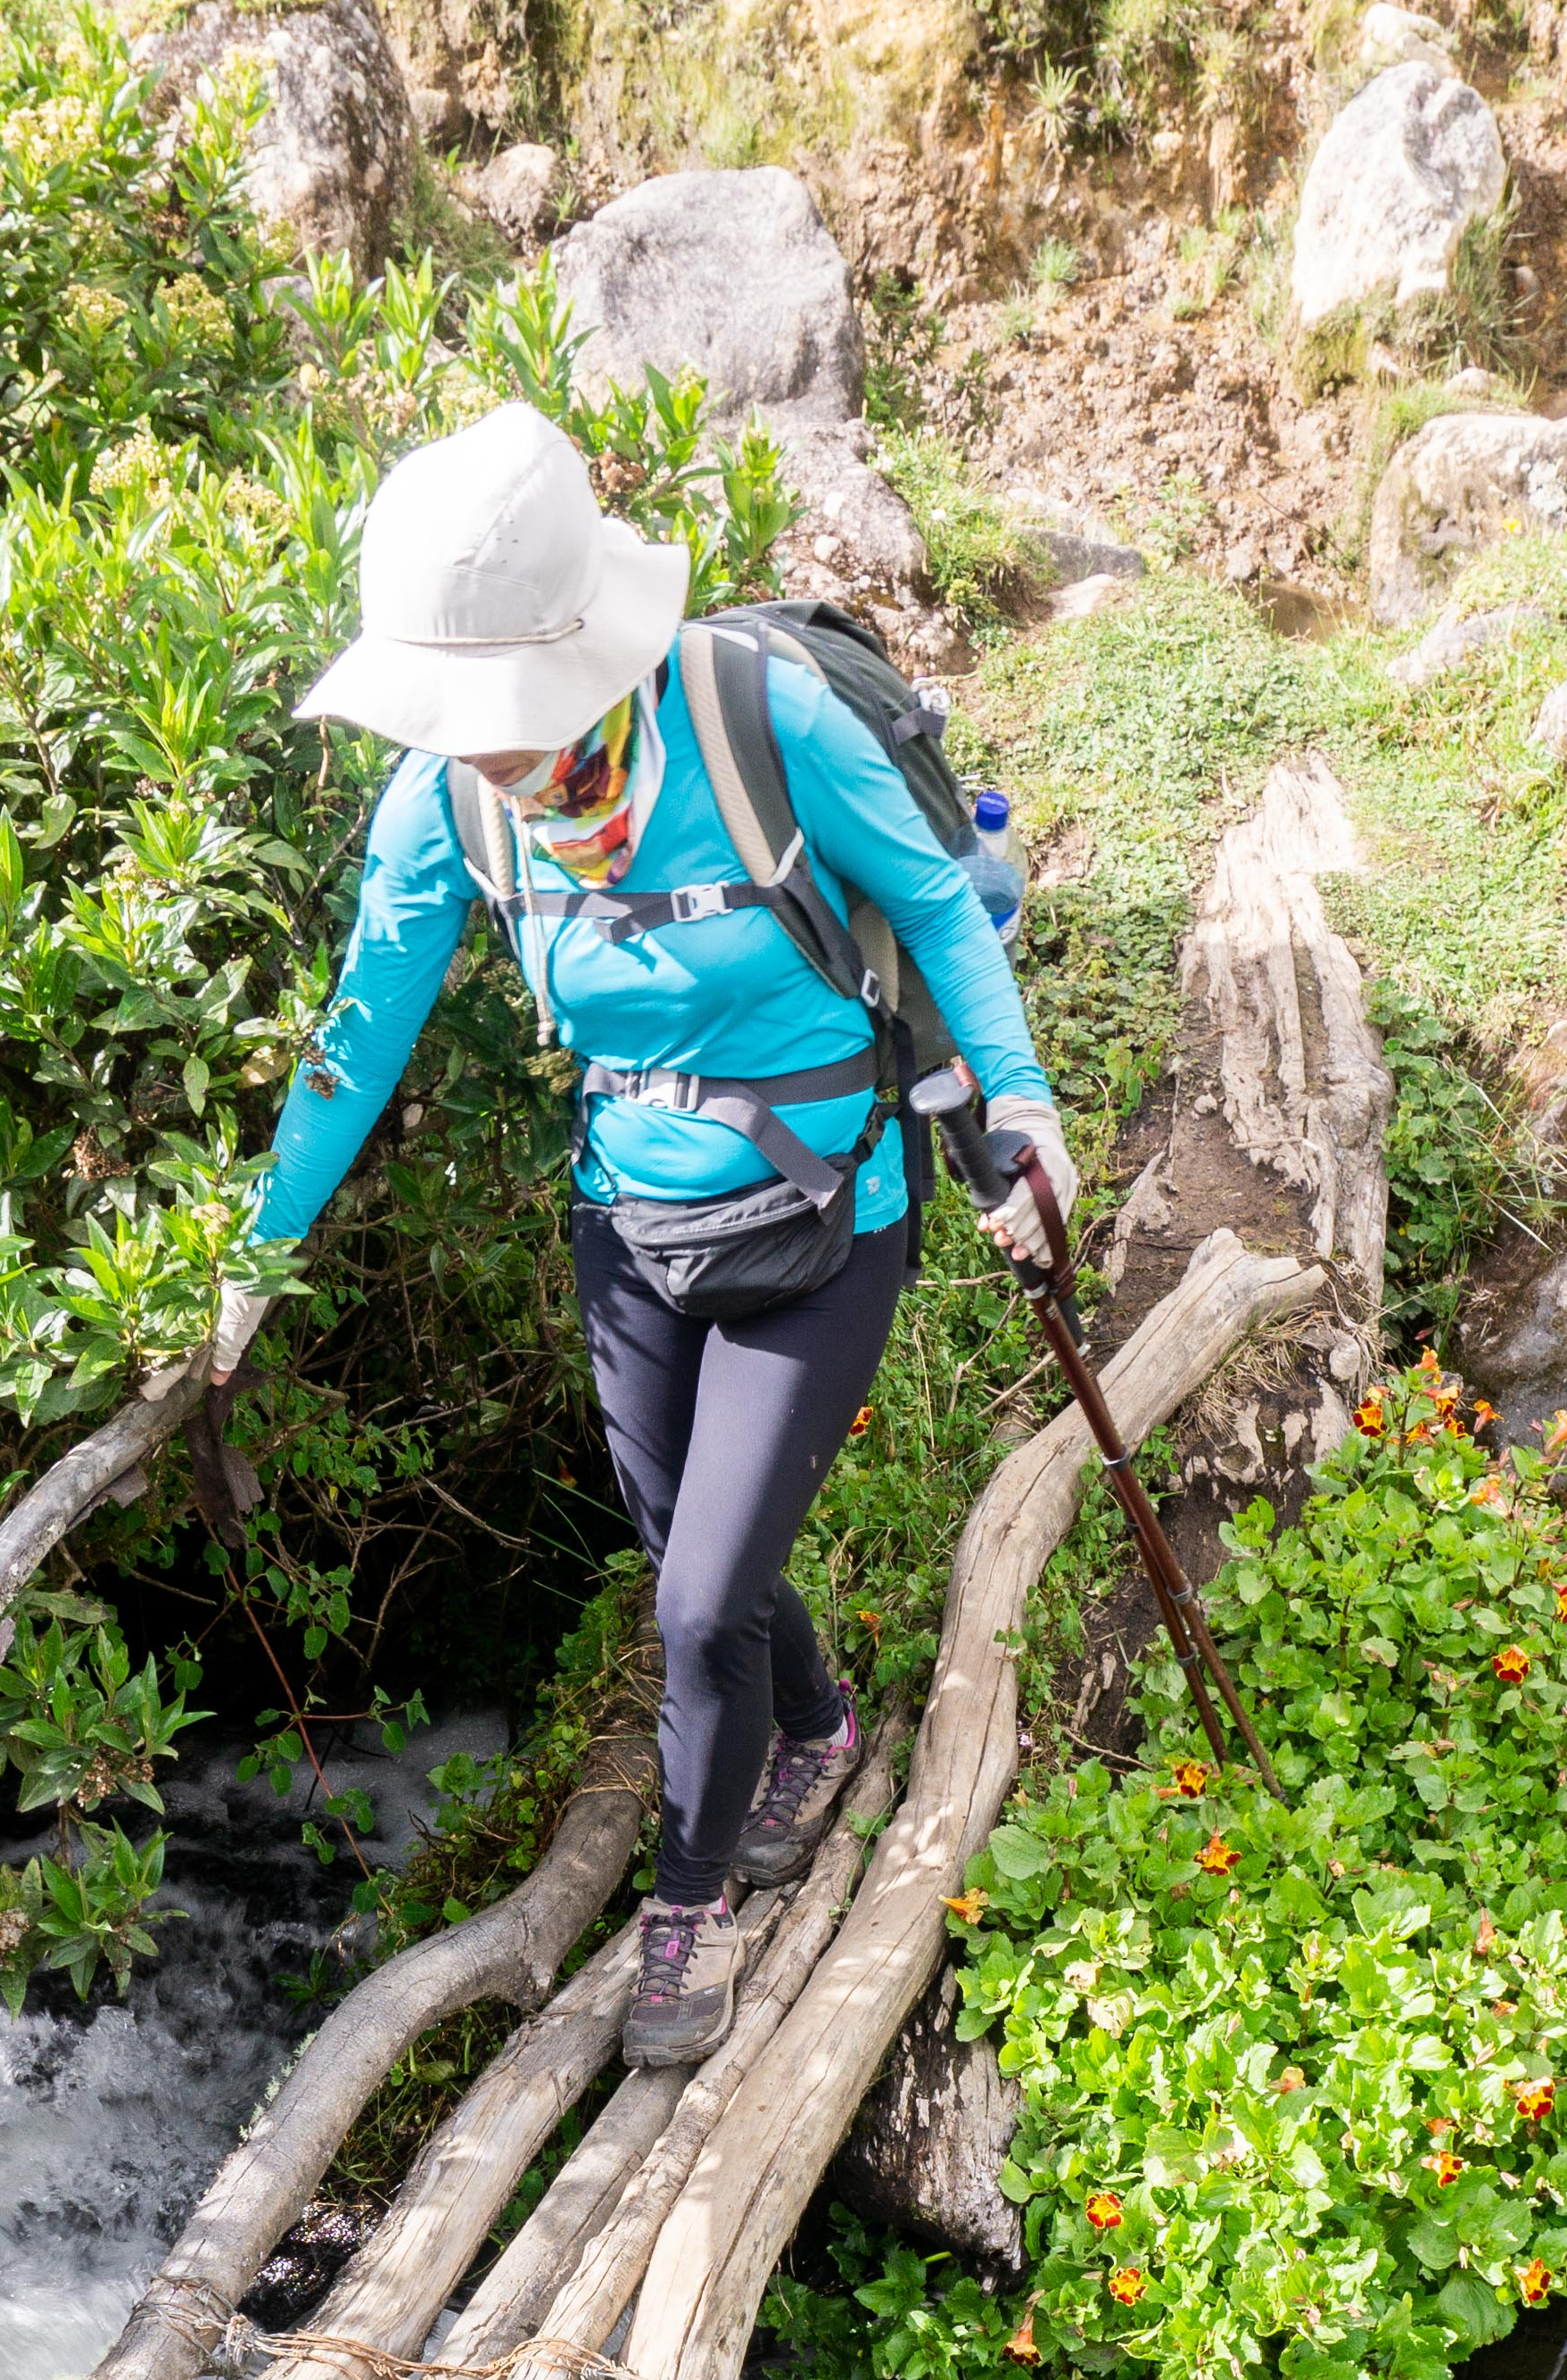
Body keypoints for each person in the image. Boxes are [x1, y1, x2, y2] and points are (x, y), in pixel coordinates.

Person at [231, 398, 1075, 2070]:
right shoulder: (453, 805)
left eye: (500, 722)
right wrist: (257, 1253)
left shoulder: (759, 721)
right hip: (635, 1218)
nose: (485, 756)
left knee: (695, 1612)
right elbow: (359, 1028)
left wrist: (1024, 1107)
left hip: (832, 1206)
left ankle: (687, 1918)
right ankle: (819, 1730)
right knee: (700, 1552)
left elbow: (925, 903)